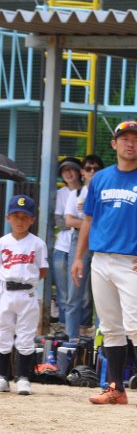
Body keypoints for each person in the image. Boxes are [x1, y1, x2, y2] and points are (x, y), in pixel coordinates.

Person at [71, 120, 137, 409]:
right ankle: (116, 388)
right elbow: (88, 219)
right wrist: (79, 257)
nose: (130, 144)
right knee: (109, 327)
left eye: (136, 140)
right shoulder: (100, 178)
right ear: (114, 143)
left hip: (133, 262)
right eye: (124, 139)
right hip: (101, 259)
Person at [0, 196, 48, 395]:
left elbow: (42, 270)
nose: (20, 221)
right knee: (3, 333)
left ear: (32, 220)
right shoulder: (3, 242)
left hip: (27, 293)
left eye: (25, 217)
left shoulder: (37, 244)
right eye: (16, 216)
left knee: (26, 335)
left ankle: (23, 378)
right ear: (8, 217)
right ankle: (2, 377)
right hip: (6, 292)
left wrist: (29, 281)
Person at [64, 154, 104, 335]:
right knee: (74, 293)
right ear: (82, 172)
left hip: (101, 240)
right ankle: (71, 341)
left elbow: (107, 221)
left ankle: (101, 341)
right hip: (79, 240)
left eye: (96, 169)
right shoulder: (76, 193)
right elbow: (69, 221)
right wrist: (89, 222)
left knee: (102, 294)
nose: (92, 172)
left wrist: (89, 221)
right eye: (88, 168)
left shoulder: (105, 192)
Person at [51, 157, 82, 339]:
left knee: (80, 293)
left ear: (79, 171)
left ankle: (83, 328)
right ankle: (64, 328)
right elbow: (60, 221)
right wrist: (79, 223)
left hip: (81, 247)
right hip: (62, 246)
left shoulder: (86, 191)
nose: (68, 173)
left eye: (71, 169)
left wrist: (72, 221)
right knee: (63, 292)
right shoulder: (61, 193)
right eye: (64, 171)